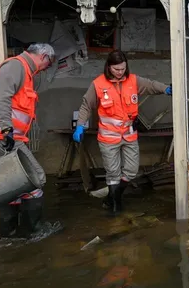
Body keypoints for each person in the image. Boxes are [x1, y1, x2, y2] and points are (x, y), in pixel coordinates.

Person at [0, 43, 55, 238]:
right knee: (36, 178)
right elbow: (2, 98)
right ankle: (35, 231)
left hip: (5, 137)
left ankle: (10, 234)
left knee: (12, 184)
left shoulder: (23, 71)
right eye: (48, 63)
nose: (46, 68)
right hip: (3, 137)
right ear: (43, 56)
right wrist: (7, 129)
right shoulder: (16, 67)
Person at [73, 50, 171, 216]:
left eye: (123, 68)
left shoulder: (133, 80)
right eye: (116, 69)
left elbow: (150, 85)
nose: (120, 72)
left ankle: (112, 196)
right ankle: (116, 207)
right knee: (113, 173)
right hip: (108, 137)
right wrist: (80, 125)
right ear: (109, 67)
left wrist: (166, 88)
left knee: (132, 170)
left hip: (129, 135)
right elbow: (86, 105)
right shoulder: (98, 84)